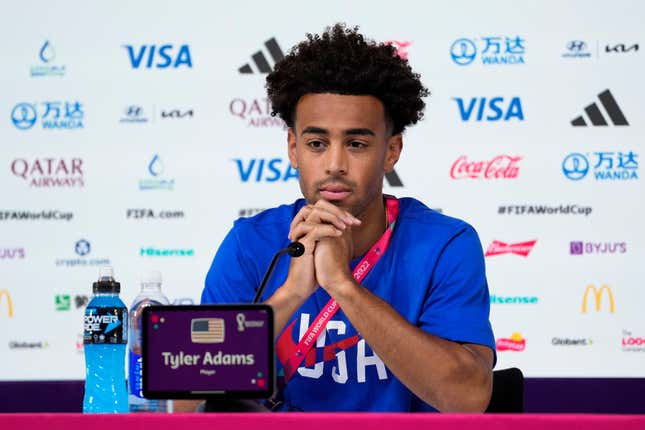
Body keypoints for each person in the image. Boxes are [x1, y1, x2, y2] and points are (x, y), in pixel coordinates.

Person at [201, 23, 495, 412]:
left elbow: (469, 399)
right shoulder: (250, 244)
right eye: (317, 143)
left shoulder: (444, 245)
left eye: (356, 144)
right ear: (293, 147)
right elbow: (185, 401)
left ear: (391, 151)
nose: (335, 164)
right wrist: (290, 295)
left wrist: (344, 286)